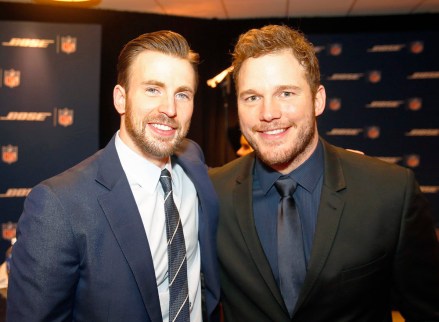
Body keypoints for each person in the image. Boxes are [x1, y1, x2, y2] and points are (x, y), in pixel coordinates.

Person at [209, 25, 439, 321]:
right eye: (252, 97)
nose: (268, 113)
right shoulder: (212, 195)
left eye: (286, 93)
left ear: (318, 100)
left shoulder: (390, 193)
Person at [7, 31, 220, 322]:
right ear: (121, 99)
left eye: (182, 94)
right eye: (153, 90)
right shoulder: (59, 206)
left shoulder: (193, 163)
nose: (170, 109)